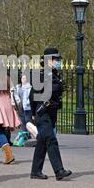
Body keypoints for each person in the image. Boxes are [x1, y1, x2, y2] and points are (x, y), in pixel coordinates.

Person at [29, 47, 72, 180]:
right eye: (54, 59)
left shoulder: (55, 74)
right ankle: (59, 170)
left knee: (42, 141)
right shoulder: (41, 75)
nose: (57, 61)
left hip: (51, 112)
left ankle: (35, 171)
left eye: (57, 59)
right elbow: (32, 96)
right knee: (51, 139)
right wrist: (33, 113)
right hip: (43, 112)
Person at [11, 74, 32, 146]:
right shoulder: (18, 87)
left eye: (25, 78)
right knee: (22, 121)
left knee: (28, 121)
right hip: (20, 106)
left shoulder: (29, 87)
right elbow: (15, 95)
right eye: (23, 78)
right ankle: (24, 135)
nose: (24, 80)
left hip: (27, 107)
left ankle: (28, 135)